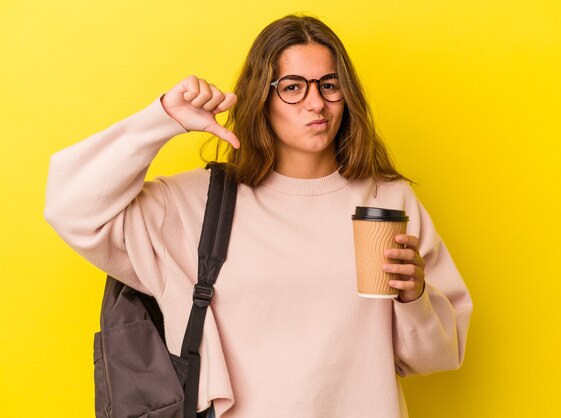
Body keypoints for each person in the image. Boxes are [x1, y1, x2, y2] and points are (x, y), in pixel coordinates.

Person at [45, 14, 472, 418]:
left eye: (329, 85)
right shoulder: (199, 204)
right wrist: (162, 119)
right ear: (262, 96)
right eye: (292, 87)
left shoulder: (388, 201)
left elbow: (440, 356)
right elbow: (71, 208)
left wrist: (414, 298)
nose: (316, 104)